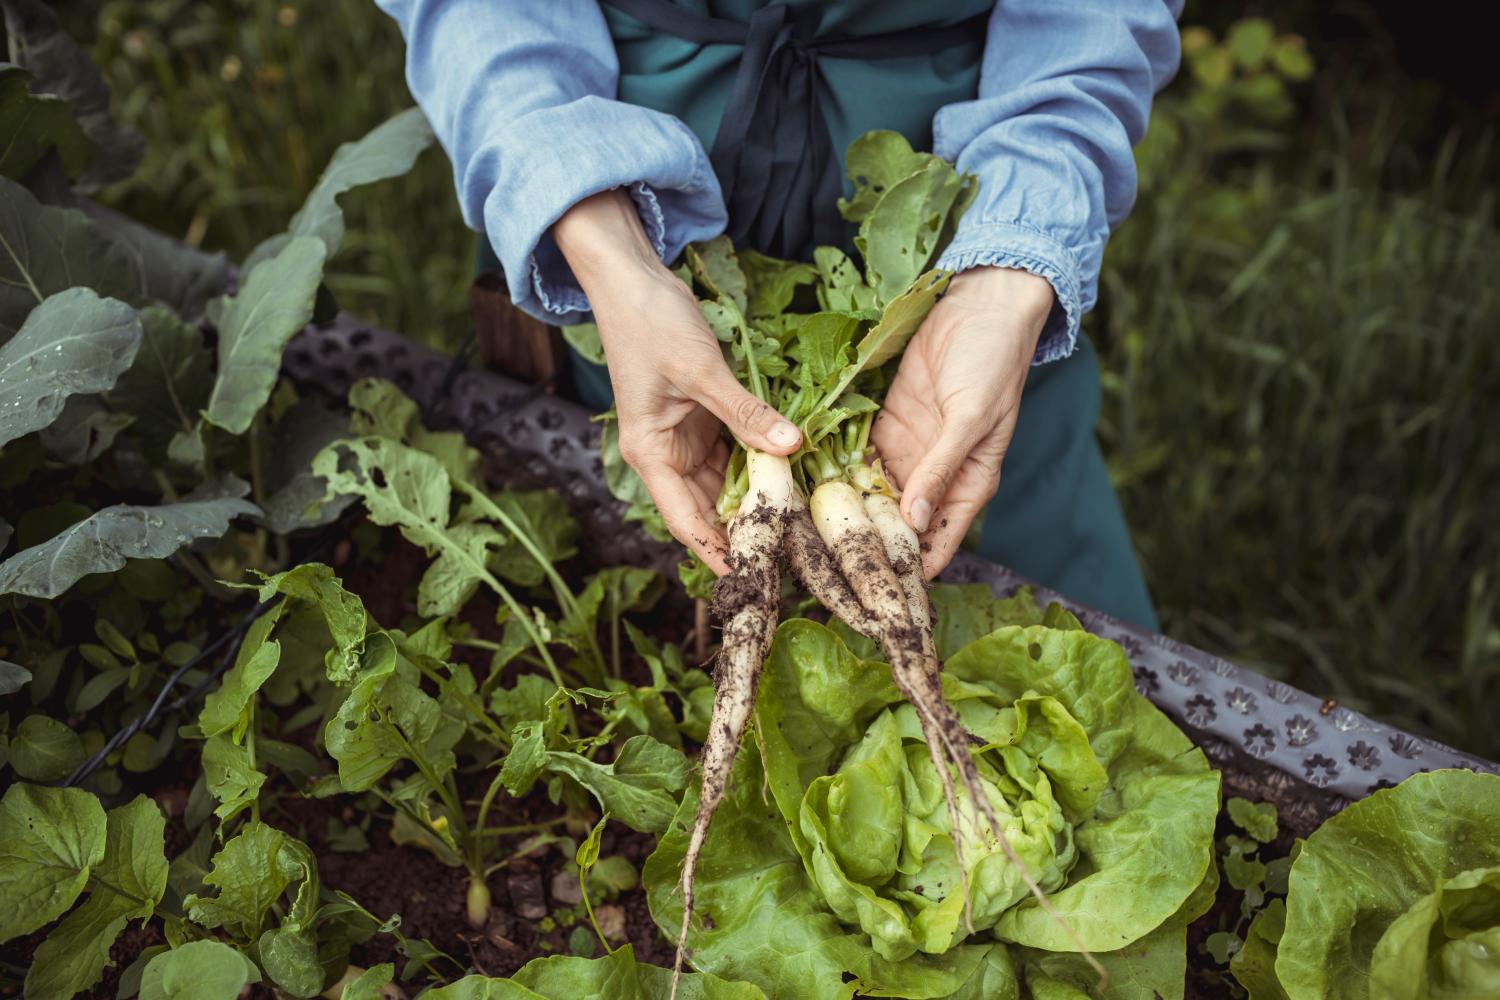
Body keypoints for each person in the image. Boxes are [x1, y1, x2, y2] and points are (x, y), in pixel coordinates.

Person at [374, 0, 1183, 630]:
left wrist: (1009, 271)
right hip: (628, 168)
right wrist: (599, 237)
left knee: (1021, 546)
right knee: (634, 544)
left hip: (961, 186)